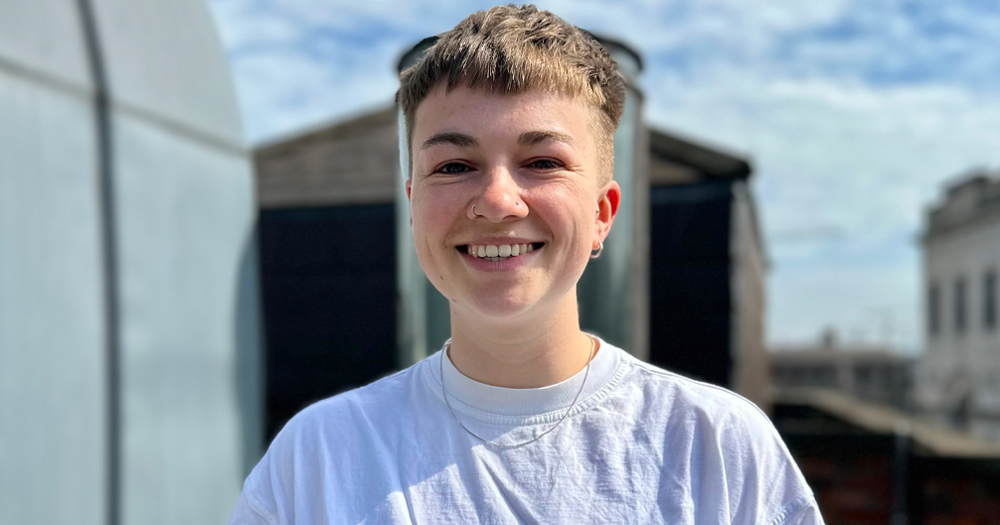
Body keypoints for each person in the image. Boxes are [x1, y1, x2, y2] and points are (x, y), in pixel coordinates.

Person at [228, 5, 823, 524]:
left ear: (602, 214)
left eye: (541, 161)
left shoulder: (716, 448)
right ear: (413, 206)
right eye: (454, 166)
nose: (497, 200)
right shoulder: (318, 458)